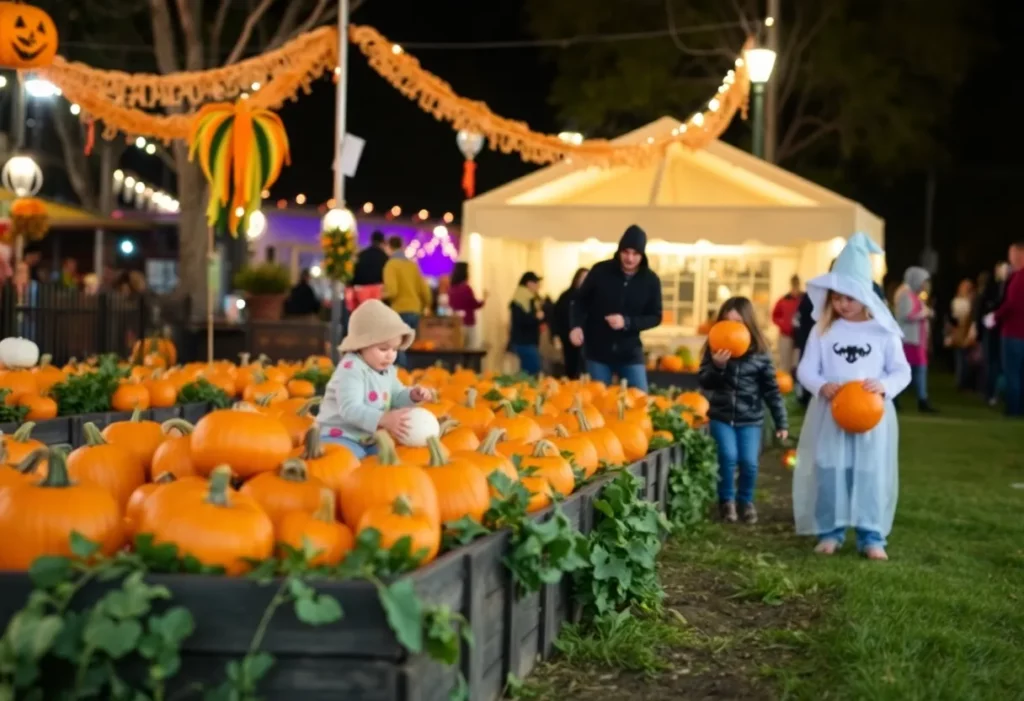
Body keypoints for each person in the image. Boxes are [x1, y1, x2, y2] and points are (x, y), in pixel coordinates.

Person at [794, 233, 911, 561]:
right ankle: (831, 530)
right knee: (831, 468)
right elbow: (806, 369)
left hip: (872, 416)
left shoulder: (883, 332)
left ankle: (870, 533)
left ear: (864, 295)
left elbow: (901, 371)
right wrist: (821, 386)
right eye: (836, 297)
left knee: (870, 471)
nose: (842, 304)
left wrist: (884, 386)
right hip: (832, 414)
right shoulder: (824, 331)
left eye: (849, 297)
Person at [698, 296, 788, 525]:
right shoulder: (714, 348)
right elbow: (705, 382)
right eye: (726, 323)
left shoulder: (760, 353)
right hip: (722, 415)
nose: (731, 330)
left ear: (748, 324)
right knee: (727, 457)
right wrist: (718, 367)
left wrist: (781, 422)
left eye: (737, 324)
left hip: (751, 418)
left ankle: (745, 501)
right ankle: (726, 501)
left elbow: (771, 390)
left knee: (749, 462)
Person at [316, 299, 432, 459]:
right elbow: (350, 409)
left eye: (395, 349)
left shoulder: (387, 371)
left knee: (389, 460)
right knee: (349, 461)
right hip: (340, 436)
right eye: (383, 349)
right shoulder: (351, 369)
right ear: (361, 345)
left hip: (369, 438)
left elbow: (396, 395)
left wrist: (411, 395)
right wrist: (384, 418)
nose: (390, 355)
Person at [569, 225, 662, 391]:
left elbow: (656, 316)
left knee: (640, 399)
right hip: (597, 352)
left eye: (635, 254)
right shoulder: (600, 271)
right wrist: (576, 326)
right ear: (619, 251)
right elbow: (579, 301)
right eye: (626, 252)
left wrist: (627, 322)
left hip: (630, 352)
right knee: (599, 402)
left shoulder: (650, 280)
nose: (630, 259)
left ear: (642, 255)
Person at [985, 242, 1024, 417]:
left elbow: (1013, 304)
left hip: (1014, 333)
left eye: (1012, 254)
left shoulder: (1019, 277)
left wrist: (995, 316)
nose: (1010, 258)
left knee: (1012, 373)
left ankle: (1013, 409)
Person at [382, 235, 432, 367]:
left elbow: (392, 291)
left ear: (389, 247)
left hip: (400, 310)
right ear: (402, 246)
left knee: (398, 347)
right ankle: (415, 375)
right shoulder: (412, 265)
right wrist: (426, 305)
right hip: (415, 310)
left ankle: (404, 376)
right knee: (412, 347)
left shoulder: (391, 265)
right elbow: (424, 290)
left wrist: (379, 295)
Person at [893, 267, 936, 412]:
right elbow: (906, 315)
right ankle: (919, 400)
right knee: (915, 369)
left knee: (914, 369)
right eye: (923, 281)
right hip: (910, 339)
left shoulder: (912, 294)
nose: (924, 284)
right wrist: (924, 313)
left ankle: (916, 399)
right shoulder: (906, 295)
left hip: (915, 339)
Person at [977, 262, 1010, 405]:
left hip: (1004, 331)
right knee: (991, 364)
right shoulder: (991, 289)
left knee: (1002, 365)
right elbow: (981, 310)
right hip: (991, 332)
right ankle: (990, 393)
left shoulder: (1010, 287)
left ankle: (999, 394)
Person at [552, 268, 588, 378]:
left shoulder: (592, 297)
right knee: (572, 366)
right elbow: (556, 316)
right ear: (576, 279)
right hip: (568, 338)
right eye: (583, 278)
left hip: (588, 340)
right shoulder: (566, 296)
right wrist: (556, 334)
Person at [508, 272, 544, 375]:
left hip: (524, 341)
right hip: (525, 341)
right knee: (532, 371)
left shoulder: (525, 297)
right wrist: (536, 317)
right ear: (529, 283)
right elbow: (521, 320)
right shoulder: (523, 299)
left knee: (527, 371)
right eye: (536, 283)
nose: (538, 286)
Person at [945, 278, 977, 390]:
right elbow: (953, 316)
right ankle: (961, 381)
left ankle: (966, 382)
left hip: (968, 329)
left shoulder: (971, 301)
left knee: (968, 357)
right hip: (959, 330)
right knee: (961, 357)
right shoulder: (957, 301)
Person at [448, 262, 486, 349]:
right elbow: (474, 304)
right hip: (468, 322)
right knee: (470, 348)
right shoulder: (466, 288)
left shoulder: (451, 289)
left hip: (456, 322)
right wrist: (484, 299)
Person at [349, 231, 390, 311]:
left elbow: (355, 271)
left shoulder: (362, 254)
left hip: (362, 290)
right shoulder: (384, 257)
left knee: (364, 313)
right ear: (382, 241)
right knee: (376, 314)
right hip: (378, 289)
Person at [772, 275, 803, 373]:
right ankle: (786, 385)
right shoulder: (783, 300)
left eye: (796, 283)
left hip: (800, 336)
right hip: (785, 336)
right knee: (785, 364)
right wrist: (783, 324)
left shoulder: (804, 299)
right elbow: (774, 316)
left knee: (798, 363)